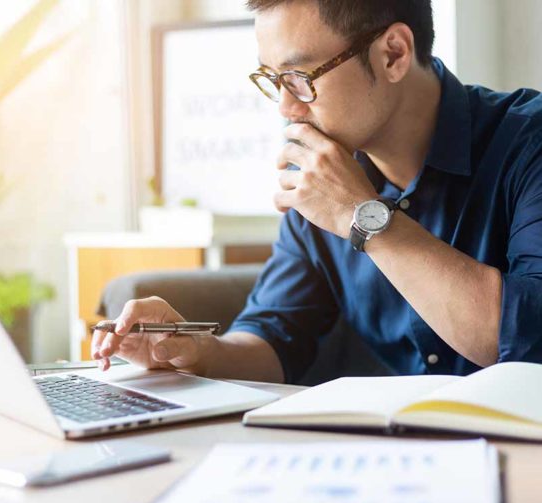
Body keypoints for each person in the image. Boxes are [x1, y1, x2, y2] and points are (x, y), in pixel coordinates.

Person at [92, 0, 542, 384]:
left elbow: (526, 338)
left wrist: (364, 217)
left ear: (393, 54)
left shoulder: (528, 141)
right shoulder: (323, 173)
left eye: (300, 76)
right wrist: (193, 352)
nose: (287, 107)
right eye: (273, 79)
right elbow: (275, 336)